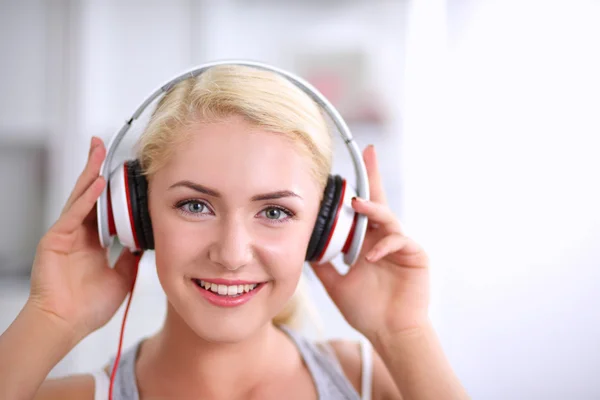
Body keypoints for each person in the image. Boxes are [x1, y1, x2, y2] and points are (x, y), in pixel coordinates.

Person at [0, 65, 469, 400]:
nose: (231, 253)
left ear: (328, 230)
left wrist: (404, 334)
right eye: (195, 205)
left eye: (275, 212)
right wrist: (50, 318)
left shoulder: (374, 384)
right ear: (134, 216)